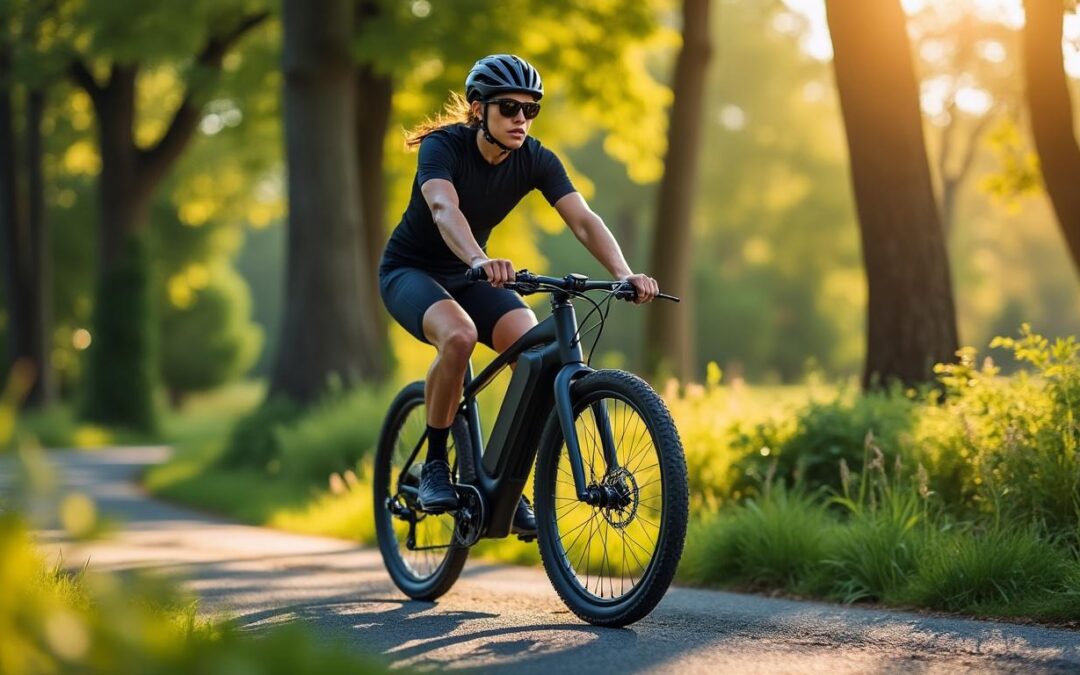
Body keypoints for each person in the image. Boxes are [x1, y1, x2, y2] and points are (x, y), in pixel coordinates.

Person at [378, 54, 659, 533]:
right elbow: (444, 208)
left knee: (534, 354)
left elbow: (583, 220)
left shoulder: (535, 159)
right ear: (478, 109)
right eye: (509, 108)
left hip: (472, 274)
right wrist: (479, 259)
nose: (520, 120)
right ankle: (437, 464)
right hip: (411, 271)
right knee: (459, 336)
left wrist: (624, 273)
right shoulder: (443, 147)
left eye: (531, 110)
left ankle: (506, 487)